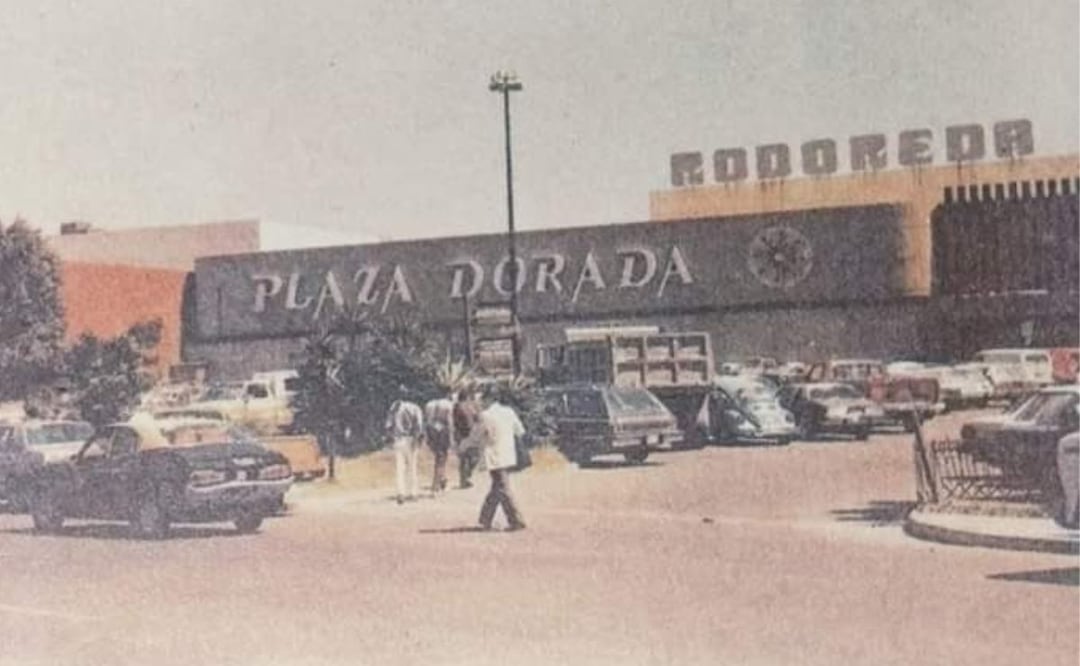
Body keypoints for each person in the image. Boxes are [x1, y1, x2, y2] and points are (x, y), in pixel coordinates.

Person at [474, 386, 527, 531]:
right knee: (498, 486)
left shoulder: (484, 415)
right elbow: (520, 431)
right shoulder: (509, 412)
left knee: (501, 487)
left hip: (493, 456)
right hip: (508, 454)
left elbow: (477, 435)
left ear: (489, 399)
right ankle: (485, 519)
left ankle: (516, 520)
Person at [384, 398, 424, 504]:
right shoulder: (415, 408)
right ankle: (413, 493)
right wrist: (418, 439)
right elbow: (419, 426)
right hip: (411, 439)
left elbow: (388, 425)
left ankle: (400, 493)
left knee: (400, 467)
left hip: (398, 439)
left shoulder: (394, 407)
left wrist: (390, 438)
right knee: (412, 467)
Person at [423, 394, 455, 493]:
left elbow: (427, 420)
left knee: (438, 456)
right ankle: (436, 483)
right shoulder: (448, 405)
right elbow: (450, 422)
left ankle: (442, 479)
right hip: (443, 430)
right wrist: (451, 438)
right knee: (442, 457)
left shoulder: (429, 404)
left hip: (431, 429)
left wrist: (427, 436)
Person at [453, 389, 482, 488]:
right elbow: (477, 418)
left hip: (465, 434)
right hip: (466, 434)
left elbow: (477, 418)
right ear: (467, 397)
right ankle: (465, 479)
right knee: (471, 457)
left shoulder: (466, 406)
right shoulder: (460, 406)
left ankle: (465, 477)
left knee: (467, 458)